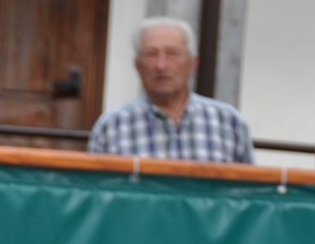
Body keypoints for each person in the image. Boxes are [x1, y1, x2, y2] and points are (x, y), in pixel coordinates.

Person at [88, 17, 253, 163]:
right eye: (151, 54)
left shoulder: (229, 123)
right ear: (137, 65)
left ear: (193, 64)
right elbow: (96, 193)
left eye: (172, 54)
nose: (161, 65)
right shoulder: (112, 127)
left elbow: (247, 192)